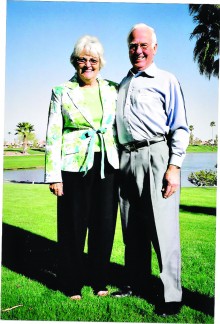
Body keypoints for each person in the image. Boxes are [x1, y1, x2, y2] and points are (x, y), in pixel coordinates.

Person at [115, 23, 189, 316]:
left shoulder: (166, 80)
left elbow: (180, 126)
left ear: (154, 48)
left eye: (144, 45)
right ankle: (135, 283)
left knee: (164, 228)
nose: (138, 50)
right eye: (133, 45)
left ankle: (172, 295)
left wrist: (174, 166)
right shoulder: (123, 83)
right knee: (132, 226)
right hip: (126, 159)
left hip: (157, 154)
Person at [44, 35, 119, 300]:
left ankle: (99, 280)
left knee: (104, 224)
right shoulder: (61, 91)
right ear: (74, 62)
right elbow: (53, 134)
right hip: (73, 166)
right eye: (82, 59)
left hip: (107, 164)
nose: (87, 64)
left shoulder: (113, 89)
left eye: (93, 60)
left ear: (101, 63)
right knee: (72, 226)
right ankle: (71, 283)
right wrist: (54, 176)